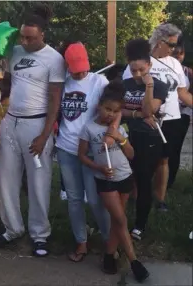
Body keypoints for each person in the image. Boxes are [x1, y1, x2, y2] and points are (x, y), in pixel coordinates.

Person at [0, 6, 66, 257]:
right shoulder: (14, 52)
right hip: (11, 122)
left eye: (31, 37)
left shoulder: (54, 58)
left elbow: (55, 99)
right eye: (23, 36)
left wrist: (45, 135)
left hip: (37, 125)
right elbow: (7, 85)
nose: (25, 41)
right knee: (5, 178)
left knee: (38, 181)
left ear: (42, 34)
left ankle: (40, 234)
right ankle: (12, 228)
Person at [78, 80, 150, 282]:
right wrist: (98, 167)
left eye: (114, 111)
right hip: (105, 179)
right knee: (119, 219)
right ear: (99, 106)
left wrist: (120, 138)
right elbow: (82, 155)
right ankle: (134, 261)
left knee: (117, 223)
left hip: (124, 176)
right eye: (107, 109)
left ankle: (109, 256)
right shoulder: (89, 128)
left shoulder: (118, 128)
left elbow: (131, 154)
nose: (110, 113)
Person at [122, 24, 192, 213]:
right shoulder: (141, 60)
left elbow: (182, 92)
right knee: (138, 159)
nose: (174, 50)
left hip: (171, 118)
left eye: (175, 45)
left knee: (164, 159)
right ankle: (136, 197)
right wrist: (139, 113)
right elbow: (128, 90)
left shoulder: (175, 63)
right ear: (159, 41)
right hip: (145, 119)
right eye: (171, 44)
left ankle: (160, 199)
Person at [56, 42, 111, 262]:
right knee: (74, 198)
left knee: (97, 199)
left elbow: (114, 108)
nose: (81, 71)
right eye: (75, 67)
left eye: (83, 66)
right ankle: (81, 241)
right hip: (66, 148)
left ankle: (110, 241)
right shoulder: (64, 84)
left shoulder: (100, 81)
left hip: (90, 149)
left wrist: (113, 130)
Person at [121, 38, 169, 241]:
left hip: (149, 139)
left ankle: (139, 225)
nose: (138, 75)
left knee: (143, 180)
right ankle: (117, 220)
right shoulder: (123, 84)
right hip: (126, 137)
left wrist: (148, 88)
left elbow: (149, 110)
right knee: (123, 179)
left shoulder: (159, 86)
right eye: (134, 71)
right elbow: (117, 110)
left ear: (149, 65)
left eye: (142, 69)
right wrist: (136, 115)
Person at [167, 36, 193, 189]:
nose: (178, 57)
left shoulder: (188, 73)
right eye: (174, 53)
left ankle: (170, 182)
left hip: (182, 115)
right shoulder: (159, 69)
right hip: (164, 116)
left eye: (181, 53)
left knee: (175, 149)